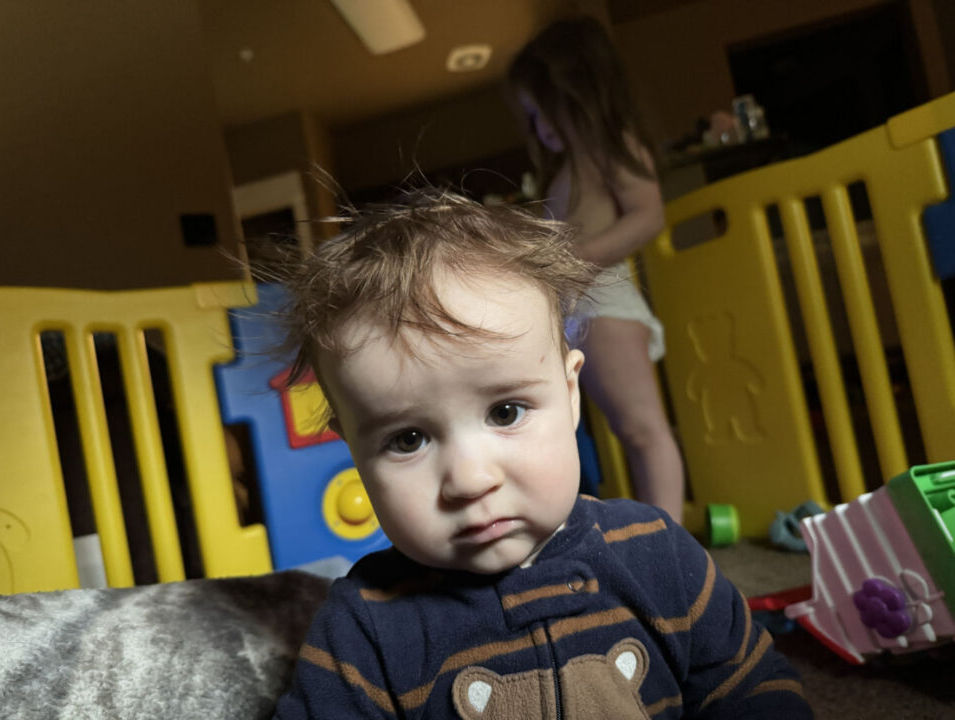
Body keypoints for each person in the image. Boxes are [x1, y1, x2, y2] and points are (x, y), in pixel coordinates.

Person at [272, 188, 811, 719]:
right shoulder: (364, 630)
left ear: (570, 394)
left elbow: (753, 690)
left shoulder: (659, 556)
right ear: (354, 449)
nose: (469, 479)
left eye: (506, 412)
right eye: (407, 439)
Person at [508, 16, 684, 522]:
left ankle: (669, 547)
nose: (539, 129)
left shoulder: (612, 144)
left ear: (574, 95)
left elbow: (649, 214)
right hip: (575, 308)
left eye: (542, 113)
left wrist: (571, 261)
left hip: (605, 301)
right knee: (616, 434)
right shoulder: (565, 171)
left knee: (643, 429)